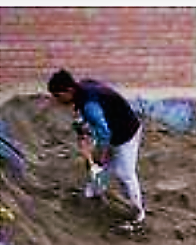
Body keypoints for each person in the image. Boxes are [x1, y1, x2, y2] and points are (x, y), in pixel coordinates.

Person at [48, 68, 146, 231]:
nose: (57, 101)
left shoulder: (89, 105)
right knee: (104, 167)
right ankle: (94, 192)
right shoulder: (83, 87)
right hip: (113, 128)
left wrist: (98, 156)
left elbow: (104, 135)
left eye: (58, 96)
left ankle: (138, 213)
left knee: (124, 173)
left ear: (69, 90)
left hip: (127, 133)